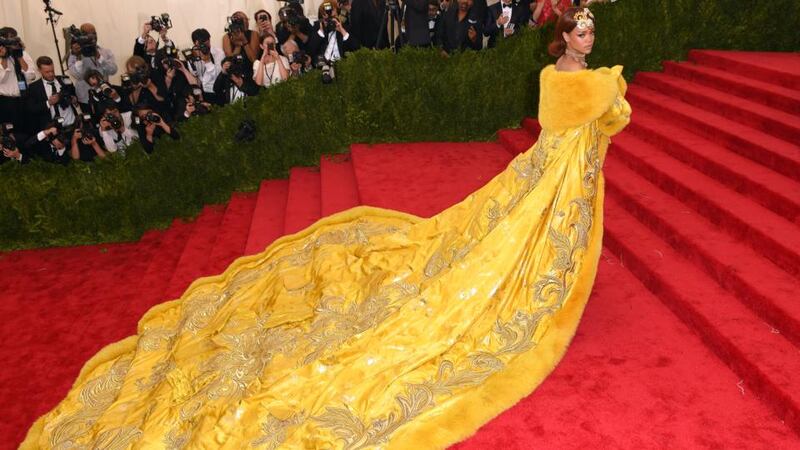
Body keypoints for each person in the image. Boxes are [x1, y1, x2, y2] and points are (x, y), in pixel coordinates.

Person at [22, 7, 631, 449]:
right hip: (554, 165)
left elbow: (602, 112)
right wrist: (606, 91)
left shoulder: (587, 76)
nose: (588, 36)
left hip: (567, 169)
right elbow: (574, 109)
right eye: (581, 30)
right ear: (564, 37)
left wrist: (604, 98)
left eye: (592, 31)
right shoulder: (562, 78)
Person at [67, 23, 118, 108]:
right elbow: (77, 75)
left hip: (104, 94)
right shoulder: (74, 55)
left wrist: (99, 57)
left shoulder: (105, 52)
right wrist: (79, 56)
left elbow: (113, 70)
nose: (92, 36)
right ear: (82, 37)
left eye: (94, 33)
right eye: (88, 34)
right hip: (85, 99)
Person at [25, 56, 78, 131]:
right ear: (39, 70)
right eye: (47, 72)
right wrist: (48, 103)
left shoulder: (65, 79)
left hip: (72, 123)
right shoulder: (33, 88)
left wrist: (74, 99)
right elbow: (32, 109)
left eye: (52, 71)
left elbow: (75, 95)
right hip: (52, 130)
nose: (51, 74)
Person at [0, 28, 36, 129]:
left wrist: (19, 57)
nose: (11, 42)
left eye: (14, 38)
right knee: (9, 134)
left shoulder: (23, 54)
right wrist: (4, 58)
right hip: (5, 102)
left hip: (24, 100)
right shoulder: (1, 57)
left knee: (27, 130)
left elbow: (31, 76)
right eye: (9, 39)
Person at [186, 28, 226, 105]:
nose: (207, 46)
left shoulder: (218, 53)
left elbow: (218, 75)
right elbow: (195, 74)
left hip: (218, 91)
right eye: (202, 44)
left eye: (208, 43)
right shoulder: (193, 56)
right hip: (204, 93)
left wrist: (207, 61)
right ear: (195, 44)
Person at [222, 11, 260, 78]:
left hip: (251, 72)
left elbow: (254, 59)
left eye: (245, 19)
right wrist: (238, 45)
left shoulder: (254, 34)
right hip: (235, 74)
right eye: (239, 21)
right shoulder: (226, 37)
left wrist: (244, 40)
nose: (245, 22)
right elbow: (230, 61)